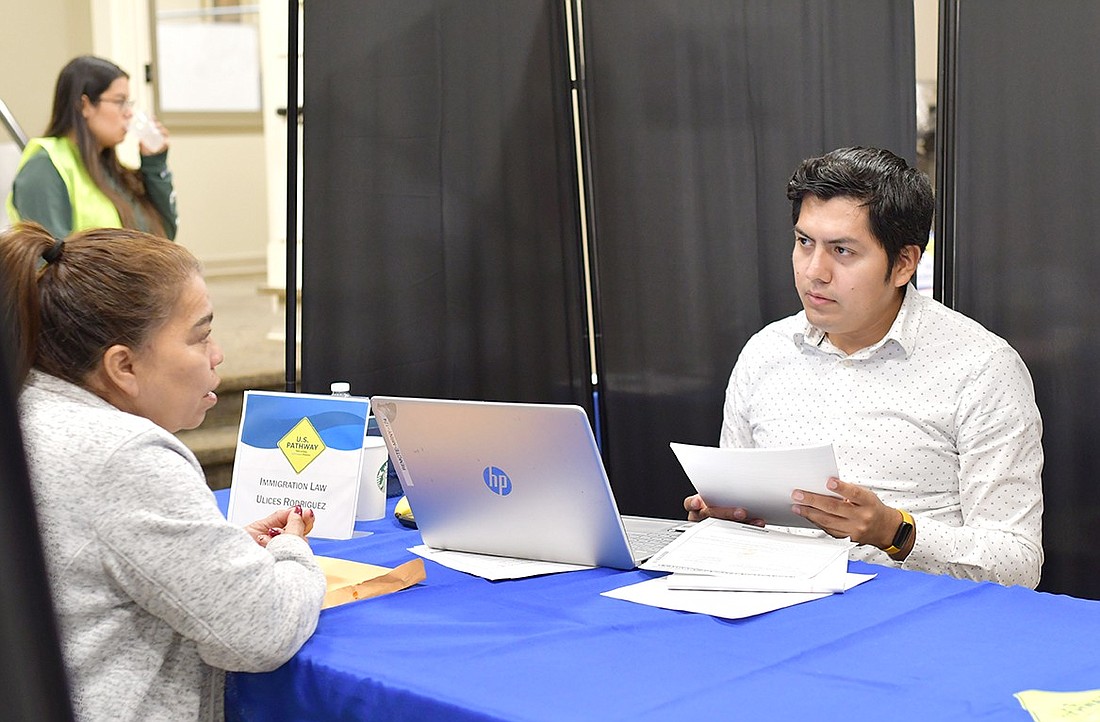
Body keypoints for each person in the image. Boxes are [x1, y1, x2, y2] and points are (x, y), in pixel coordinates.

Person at [0, 222, 325, 721]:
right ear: (122, 366)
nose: (217, 356)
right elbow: (262, 630)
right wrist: (293, 550)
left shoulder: (28, 409)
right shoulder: (124, 454)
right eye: (201, 337)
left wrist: (217, 548)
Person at [684, 146, 1043, 588]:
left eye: (842, 251)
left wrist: (894, 531)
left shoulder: (981, 368)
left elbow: (1019, 563)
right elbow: (734, 517)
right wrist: (725, 520)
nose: (814, 271)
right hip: (769, 604)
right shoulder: (765, 353)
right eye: (804, 243)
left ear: (904, 264)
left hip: (912, 618)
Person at [5, 55, 178, 241]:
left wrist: (155, 164)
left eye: (128, 103)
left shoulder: (111, 170)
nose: (129, 113)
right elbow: (47, 262)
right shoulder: (45, 166)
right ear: (84, 105)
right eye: (120, 101)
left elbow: (164, 235)